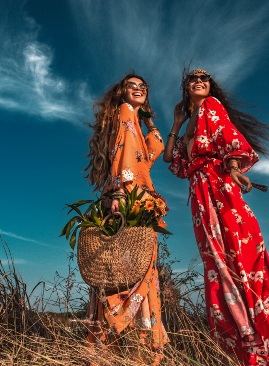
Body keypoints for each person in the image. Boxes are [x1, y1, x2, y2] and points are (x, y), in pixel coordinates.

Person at [163, 68, 269, 365]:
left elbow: (227, 136)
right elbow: (171, 159)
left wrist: (233, 168)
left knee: (239, 256)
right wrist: (178, 123)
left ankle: (262, 345)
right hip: (199, 194)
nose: (199, 81)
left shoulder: (211, 106)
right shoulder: (192, 118)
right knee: (216, 263)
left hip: (219, 184)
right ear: (186, 88)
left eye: (204, 78)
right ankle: (236, 348)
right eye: (193, 79)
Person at [84, 73, 169, 363]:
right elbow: (124, 154)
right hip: (128, 198)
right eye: (132, 86)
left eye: (144, 87)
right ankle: (133, 347)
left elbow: (154, 147)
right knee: (128, 274)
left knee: (132, 273)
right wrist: (120, 191)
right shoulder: (124, 112)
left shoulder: (134, 117)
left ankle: (123, 349)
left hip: (140, 200)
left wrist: (148, 119)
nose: (139, 89)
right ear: (121, 92)